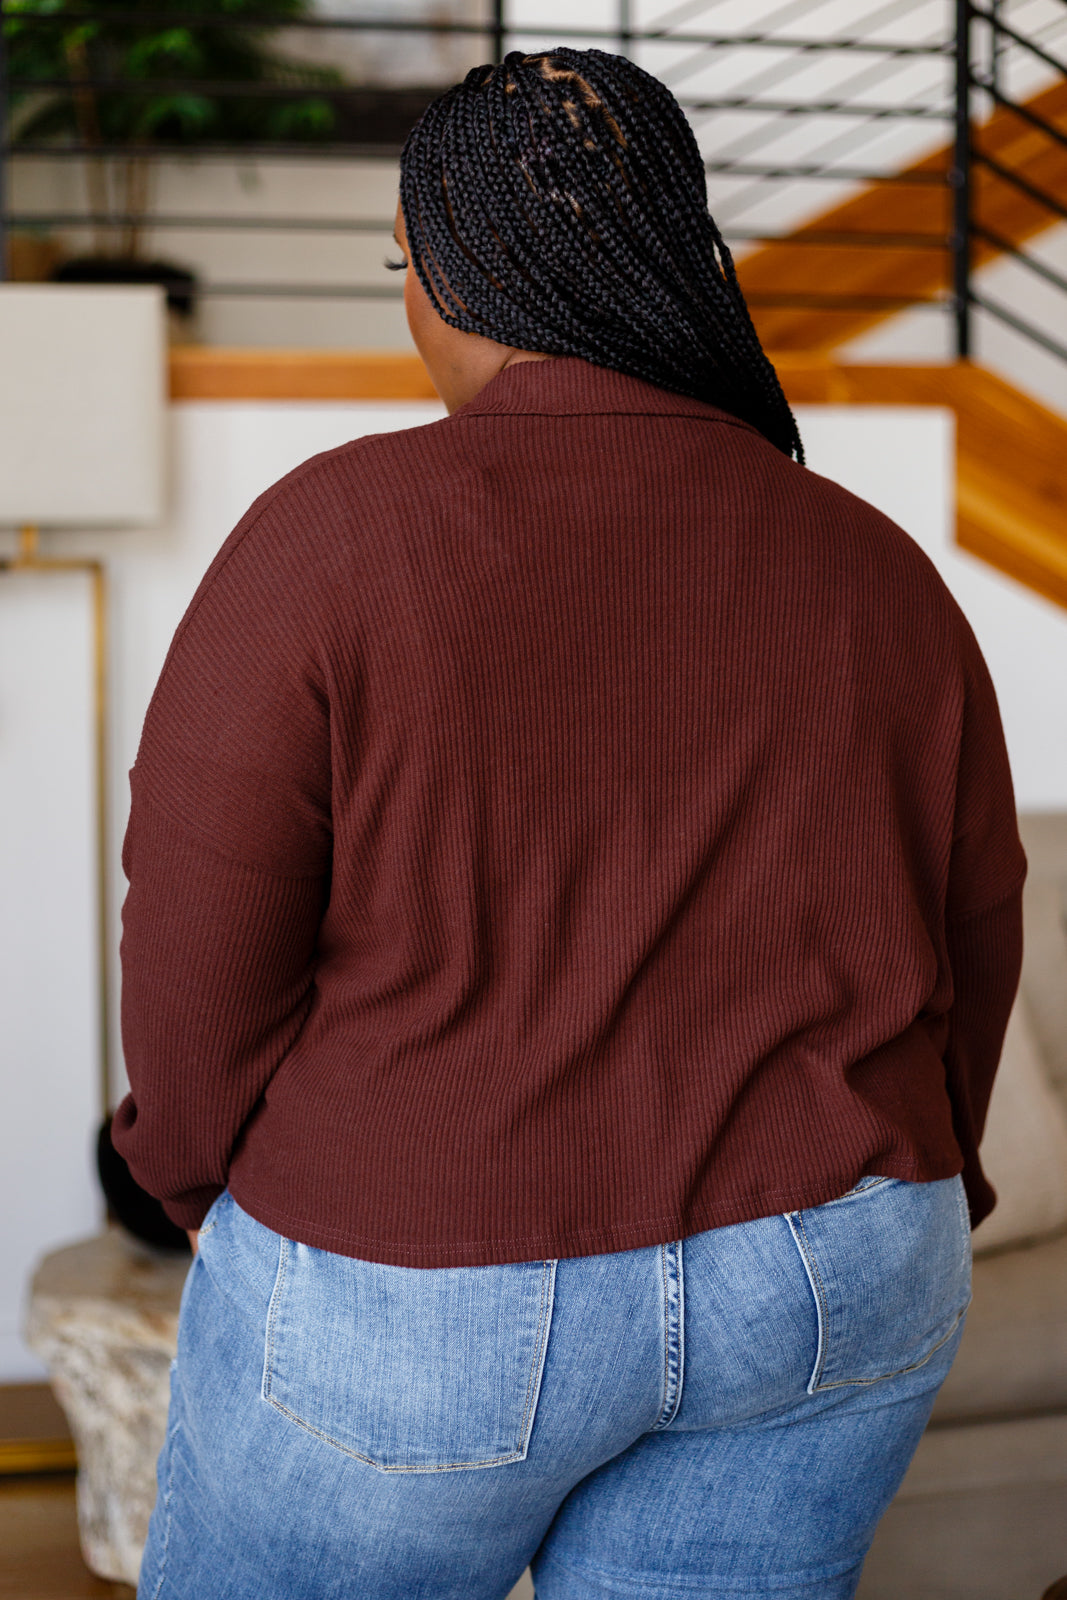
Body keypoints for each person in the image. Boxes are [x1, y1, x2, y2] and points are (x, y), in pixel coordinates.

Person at [114, 47, 1026, 1600]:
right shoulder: (873, 563)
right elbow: (976, 925)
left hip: (423, 1282)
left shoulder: (329, 539)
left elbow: (199, 938)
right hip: (836, 1268)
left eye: (401, 268)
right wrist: (928, 1178)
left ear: (459, 277)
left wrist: (197, 1184)